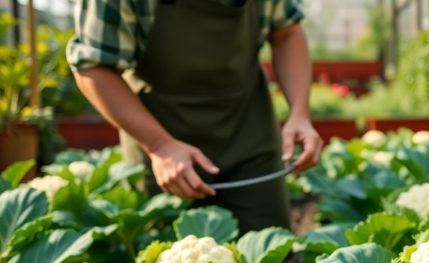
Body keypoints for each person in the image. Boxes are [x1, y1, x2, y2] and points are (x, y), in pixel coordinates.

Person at [66, 0, 323, 231]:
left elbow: (287, 32)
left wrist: (300, 114)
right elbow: (94, 66)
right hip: (157, 134)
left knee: (267, 255)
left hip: (249, 131)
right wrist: (159, 145)